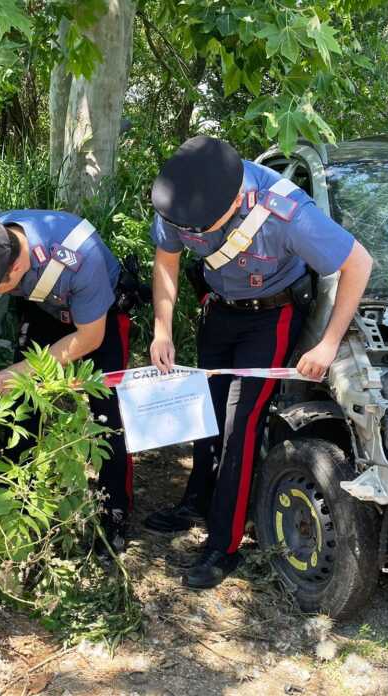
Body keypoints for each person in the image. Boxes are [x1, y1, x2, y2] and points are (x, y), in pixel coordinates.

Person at [145, 136, 373, 589]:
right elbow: (167, 261)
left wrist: (328, 344)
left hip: (271, 317)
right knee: (206, 411)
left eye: (207, 227)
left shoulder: (287, 212)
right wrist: (162, 328)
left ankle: (222, 545)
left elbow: (359, 263)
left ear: (234, 203)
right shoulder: (182, 197)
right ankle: (197, 500)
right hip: (221, 309)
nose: (199, 235)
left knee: (239, 425)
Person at [0, 212, 134, 552]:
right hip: (46, 310)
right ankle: (19, 497)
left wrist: (25, 369)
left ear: (16, 271)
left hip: (100, 320)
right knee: (20, 405)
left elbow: (88, 338)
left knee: (108, 416)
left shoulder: (82, 256)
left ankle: (114, 511)